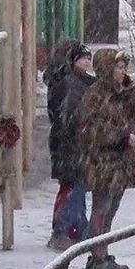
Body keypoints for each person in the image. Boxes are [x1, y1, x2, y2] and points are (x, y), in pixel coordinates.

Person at [78, 49, 135, 269]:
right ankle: (97, 256)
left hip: (120, 163)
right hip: (103, 162)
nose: (122, 72)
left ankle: (103, 252)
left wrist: (131, 91)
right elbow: (92, 130)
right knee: (102, 208)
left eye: (124, 68)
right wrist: (122, 135)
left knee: (112, 209)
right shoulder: (95, 95)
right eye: (119, 67)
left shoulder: (124, 94)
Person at [44, 40, 94, 250]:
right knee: (74, 187)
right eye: (84, 59)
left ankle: (77, 229)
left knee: (75, 186)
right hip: (72, 147)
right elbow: (69, 119)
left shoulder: (74, 82)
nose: (88, 63)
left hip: (70, 147)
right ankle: (65, 230)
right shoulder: (72, 85)